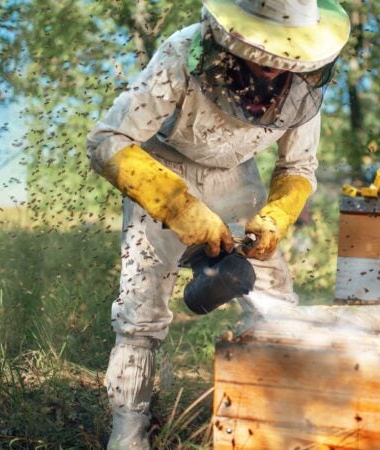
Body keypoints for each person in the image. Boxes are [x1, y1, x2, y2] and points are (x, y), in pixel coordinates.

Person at [86, 1, 350, 448]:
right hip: (161, 169)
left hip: (236, 179)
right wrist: (179, 207)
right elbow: (107, 142)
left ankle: (280, 424)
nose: (274, 67)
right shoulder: (183, 52)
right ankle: (127, 431)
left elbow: (299, 166)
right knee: (141, 314)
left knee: (278, 307)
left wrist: (278, 213)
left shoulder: (305, 79)